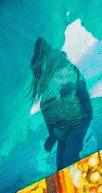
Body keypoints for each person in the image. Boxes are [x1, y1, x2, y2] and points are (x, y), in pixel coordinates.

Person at [31, 35, 94, 172]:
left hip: (76, 122)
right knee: (62, 165)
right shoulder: (53, 72)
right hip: (67, 127)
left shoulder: (61, 70)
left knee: (67, 163)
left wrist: (54, 135)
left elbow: (73, 111)